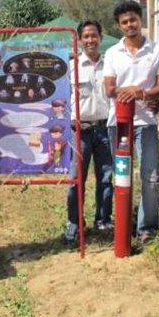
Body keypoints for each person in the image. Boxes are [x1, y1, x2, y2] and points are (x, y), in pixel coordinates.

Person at [103, 0, 159, 244]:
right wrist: (133, 90)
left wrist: (140, 93)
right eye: (124, 22)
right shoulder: (112, 53)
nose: (129, 24)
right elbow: (109, 88)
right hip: (118, 122)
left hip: (146, 122)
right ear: (119, 26)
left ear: (140, 19)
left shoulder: (157, 50)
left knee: (150, 176)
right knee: (122, 174)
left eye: (133, 19)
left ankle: (146, 227)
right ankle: (123, 223)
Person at [64, 20, 113, 243]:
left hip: (105, 130)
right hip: (79, 131)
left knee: (106, 177)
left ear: (100, 38)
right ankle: (74, 223)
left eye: (94, 35)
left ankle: (103, 219)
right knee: (76, 179)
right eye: (86, 36)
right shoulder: (71, 67)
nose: (90, 40)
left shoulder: (111, 64)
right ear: (79, 40)